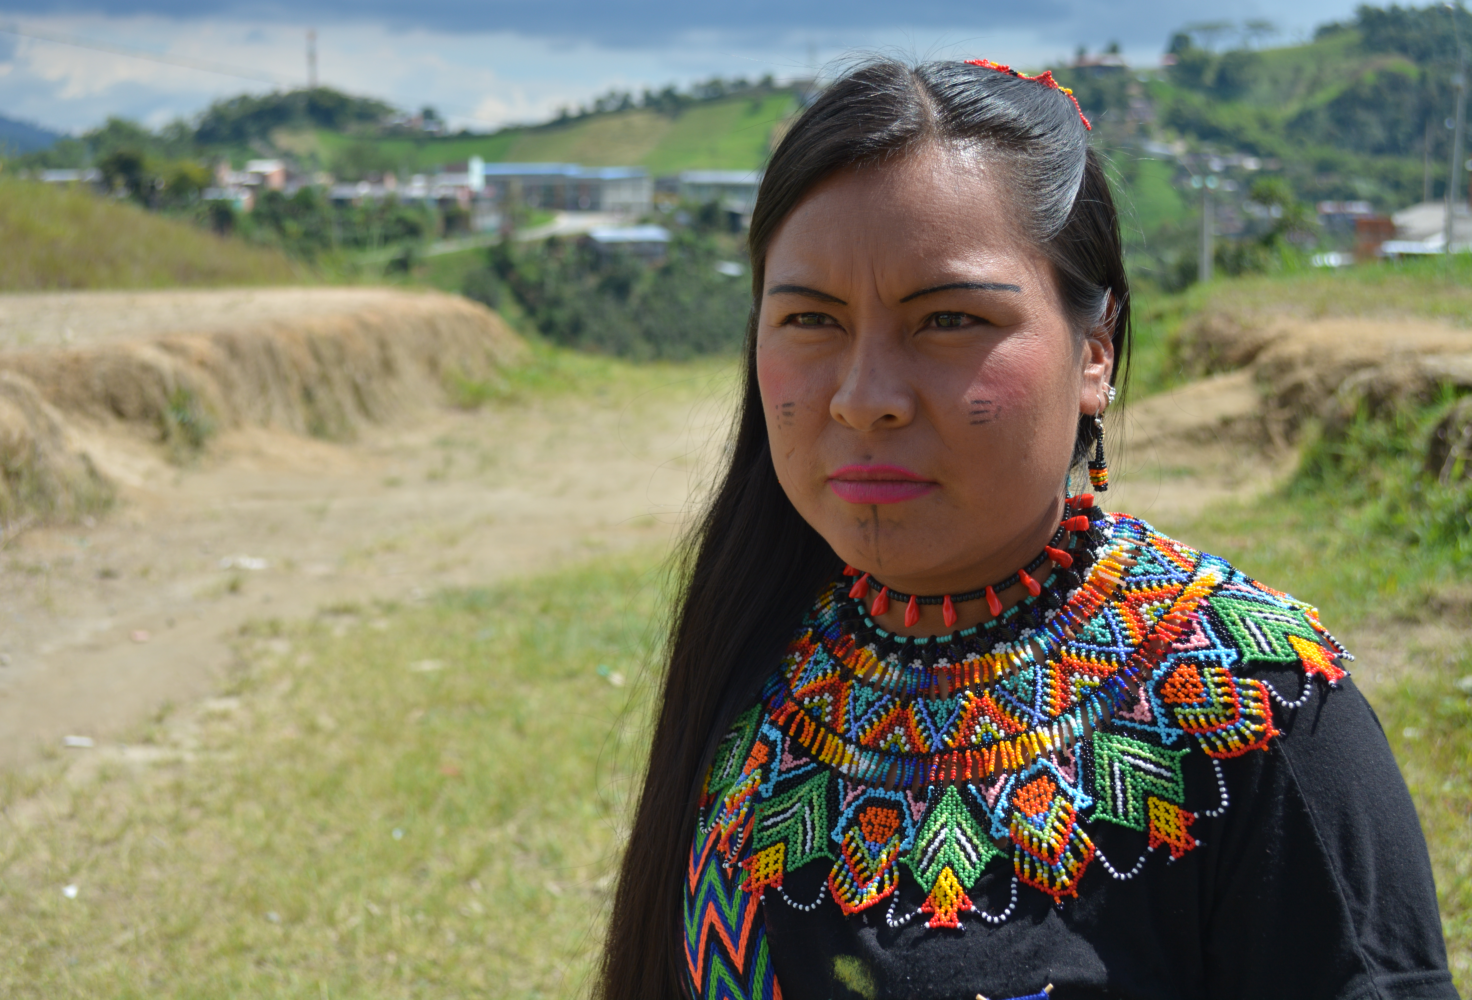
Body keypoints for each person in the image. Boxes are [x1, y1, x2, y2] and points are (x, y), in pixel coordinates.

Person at [598, 59, 1460, 1000]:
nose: (863, 398)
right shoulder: (759, 653)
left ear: (1094, 354)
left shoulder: (1254, 711)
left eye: (950, 320)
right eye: (809, 318)